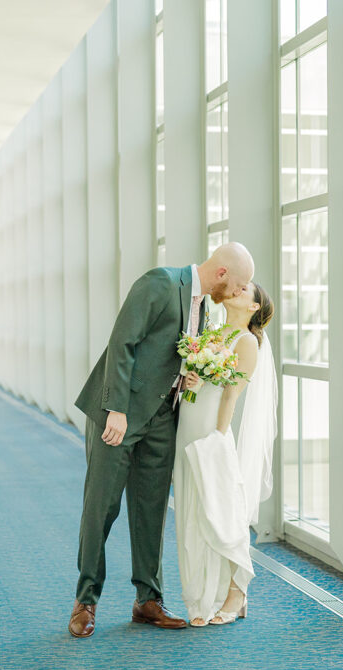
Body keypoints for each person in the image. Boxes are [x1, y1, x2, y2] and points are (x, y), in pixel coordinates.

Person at [67, 243, 254, 638]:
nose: (238, 294)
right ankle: (86, 600)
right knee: (101, 507)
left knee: (151, 509)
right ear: (221, 273)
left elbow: (173, 354)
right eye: (237, 286)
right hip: (116, 415)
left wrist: (186, 376)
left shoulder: (205, 308)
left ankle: (147, 601)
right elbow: (123, 342)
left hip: (161, 418)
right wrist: (116, 408)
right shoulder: (160, 282)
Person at [173, 281, 276, 627]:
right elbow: (197, 378)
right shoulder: (211, 332)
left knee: (221, 512)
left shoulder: (247, 343)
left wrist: (218, 438)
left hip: (211, 432)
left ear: (253, 308)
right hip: (188, 426)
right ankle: (201, 596)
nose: (237, 290)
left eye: (246, 290)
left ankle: (236, 591)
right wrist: (190, 377)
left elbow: (231, 396)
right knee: (193, 511)